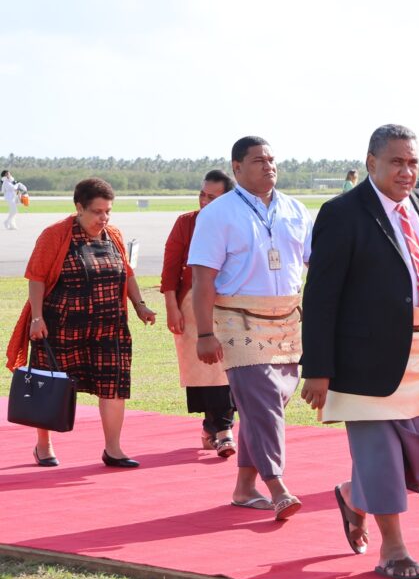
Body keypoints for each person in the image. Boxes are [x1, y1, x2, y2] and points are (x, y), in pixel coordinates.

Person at [300, 124, 419, 579]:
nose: (406, 171)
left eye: (413, 162)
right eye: (396, 161)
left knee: (414, 459)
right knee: (379, 454)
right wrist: (316, 368)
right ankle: (393, 550)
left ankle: (353, 494)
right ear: (371, 162)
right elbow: (320, 296)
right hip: (364, 360)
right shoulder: (342, 213)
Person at [188, 136, 312, 520]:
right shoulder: (218, 214)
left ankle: (244, 489)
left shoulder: (295, 209)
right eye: (259, 160)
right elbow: (202, 278)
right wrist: (205, 333)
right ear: (237, 168)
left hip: (287, 322)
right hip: (237, 321)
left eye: (272, 159)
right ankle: (278, 487)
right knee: (263, 406)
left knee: (267, 407)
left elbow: (315, 264)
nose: (269, 166)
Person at [6, 178, 158, 468]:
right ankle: (43, 445)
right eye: (97, 212)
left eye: (108, 211)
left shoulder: (113, 234)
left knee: (113, 384)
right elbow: (36, 277)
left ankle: (113, 449)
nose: (104, 218)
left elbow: (126, 273)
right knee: (50, 383)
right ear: (79, 207)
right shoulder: (55, 235)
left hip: (109, 326)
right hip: (62, 324)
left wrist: (139, 306)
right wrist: (36, 317)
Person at [161, 169, 237, 457]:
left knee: (230, 367)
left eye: (212, 196)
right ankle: (222, 430)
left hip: (232, 303)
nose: (205, 201)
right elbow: (170, 268)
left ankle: (216, 428)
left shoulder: (236, 221)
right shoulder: (186, 223)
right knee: (206, 367)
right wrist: (171, 308)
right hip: (193, 304)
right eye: (202, 194)